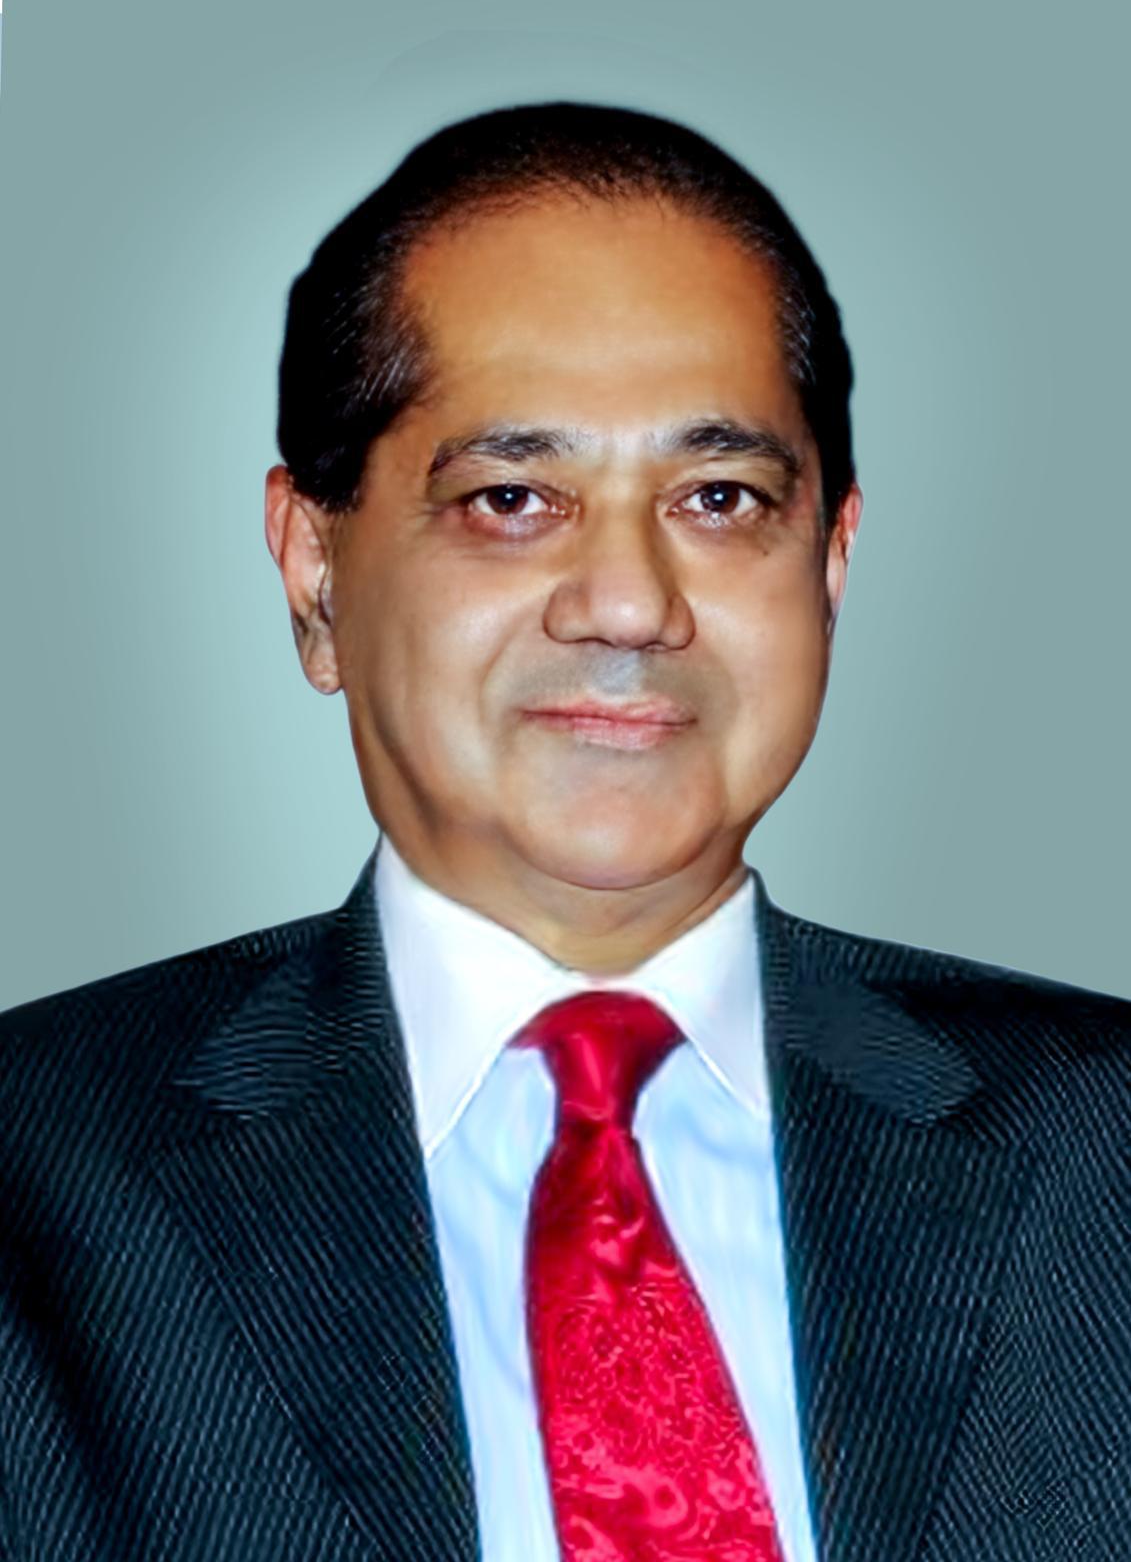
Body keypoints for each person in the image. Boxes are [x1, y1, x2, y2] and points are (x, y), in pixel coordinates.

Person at [1, 102, 1128, 1562]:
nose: (630, 602)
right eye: (513, 499)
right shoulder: (38, 1179)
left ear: (832, 564)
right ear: (315, 571)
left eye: (718, 499)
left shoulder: (1103, 1154)